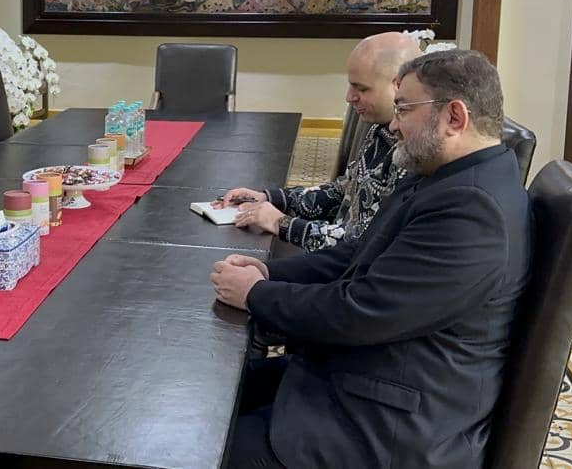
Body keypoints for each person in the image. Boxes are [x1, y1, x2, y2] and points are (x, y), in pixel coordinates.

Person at [211, 49, 533, 468]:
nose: (393, 124)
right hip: (360, 377)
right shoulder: (447, 176)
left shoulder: (473, 210)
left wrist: (256, 295)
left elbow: (362, 311)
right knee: (207, 395)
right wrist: (268, 271)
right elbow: (357, 253)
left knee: (193, 445)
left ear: (454, 117)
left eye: (404, 109)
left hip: (385, 428)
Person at [216, 32, 420, 252]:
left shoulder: (412, 156)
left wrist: (281, 223)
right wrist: (270, 198)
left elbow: (359, 246)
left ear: (399, 85)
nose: (349, 97)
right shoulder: (381, 130)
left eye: (362, 89)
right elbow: (342, 191)